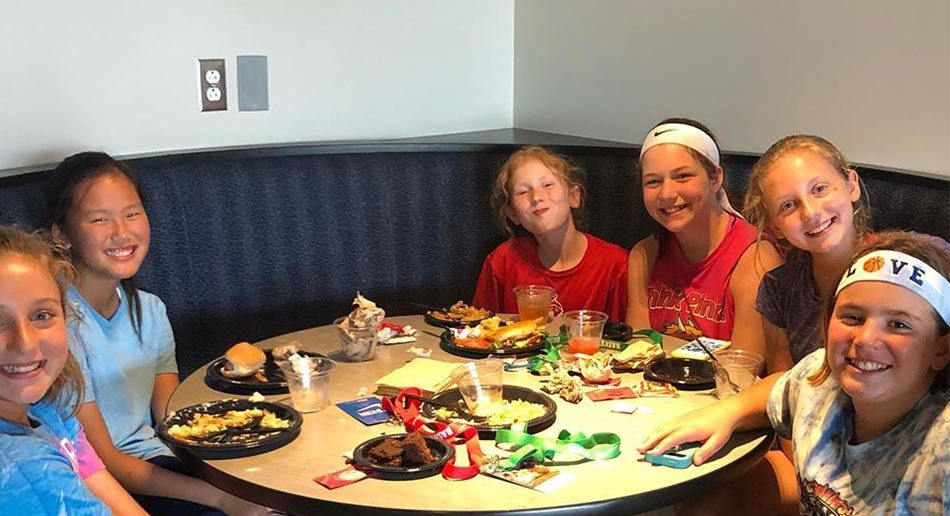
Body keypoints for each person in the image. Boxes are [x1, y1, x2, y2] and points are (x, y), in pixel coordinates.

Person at [640, 230, 950, 514]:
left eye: (899, 325)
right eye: (853, 317)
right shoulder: (820, 377)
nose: (866, 339)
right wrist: (727, 411)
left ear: (941, 349)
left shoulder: (941, 451)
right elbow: (783, 387)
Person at [46, 152, 268, 515]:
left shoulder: (150, 310)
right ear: (62, 233)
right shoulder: (55, 325)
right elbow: (104, 462)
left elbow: (174, 420)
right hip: (102, 484)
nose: (121, 232)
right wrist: (222, 498)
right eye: (100, 219)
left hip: (159, 462)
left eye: (132, 214)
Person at [0, 226, 145, 515]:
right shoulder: (25, 469)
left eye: (42, 315)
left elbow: (101, 483)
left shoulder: (46, 411)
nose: (25, 343)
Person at [626, 118, 782, 357]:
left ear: (715, 178)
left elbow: (743, 369)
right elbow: (637, 354)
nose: (667, 193)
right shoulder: (644, 255)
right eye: (653, 181)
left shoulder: (755, 259)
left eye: (682, 176)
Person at [744, 135, 870, 371]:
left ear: (852, 186)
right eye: (788, 205)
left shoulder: (909, 263)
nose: (810, 212)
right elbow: (783, 381)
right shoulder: (779, 288)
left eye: (819, 189)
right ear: (774, 226)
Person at [472, 146, 628, 321]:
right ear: (513, 214)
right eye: (523, 192)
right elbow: (477, 329)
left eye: (547, 185)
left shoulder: (616, 265)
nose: (536, 197)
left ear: (574, 196)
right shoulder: (501, 262)